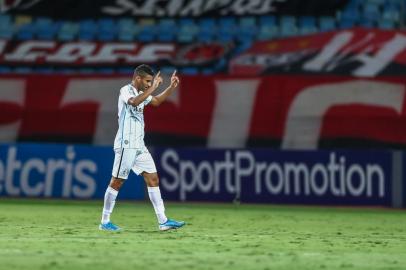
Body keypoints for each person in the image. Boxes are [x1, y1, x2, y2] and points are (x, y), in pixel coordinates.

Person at [99, 64, 185, 232]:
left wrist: (170, 87)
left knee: (153, 179)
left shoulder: (142, 93)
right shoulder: (126, 90)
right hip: (126, 144)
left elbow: (157, 101)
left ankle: (163, 221)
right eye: (147, 81)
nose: (148, 84)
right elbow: (133, 102)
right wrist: (153, 88)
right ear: (137, 78)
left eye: (150, 82)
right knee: (117, 182)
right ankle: (105, 221)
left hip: (139, 145)